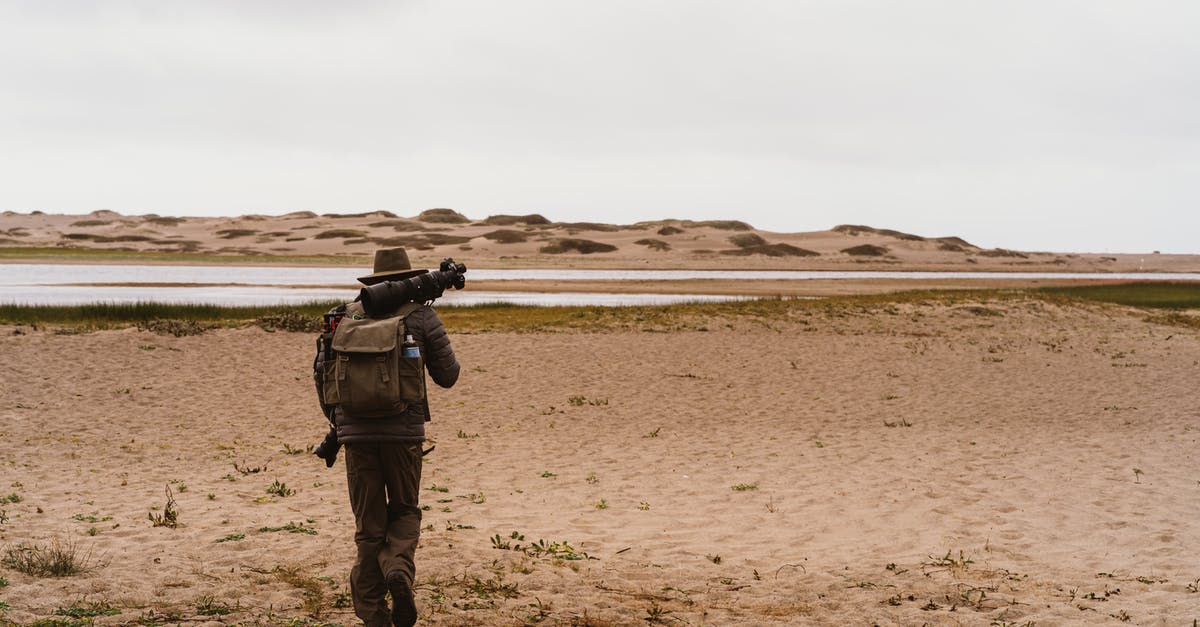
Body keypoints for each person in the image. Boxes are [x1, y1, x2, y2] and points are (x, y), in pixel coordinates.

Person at [314, 247, 461, 626]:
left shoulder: (343, 316)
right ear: (412, 279)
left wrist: (339, 424)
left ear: (374, 281)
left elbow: (322, 377)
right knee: (405, 511)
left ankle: (374, 616)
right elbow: (448, 376)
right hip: (404, 435)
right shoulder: (423, 316)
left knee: (368, 529)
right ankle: (398, 569)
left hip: (356, 437)